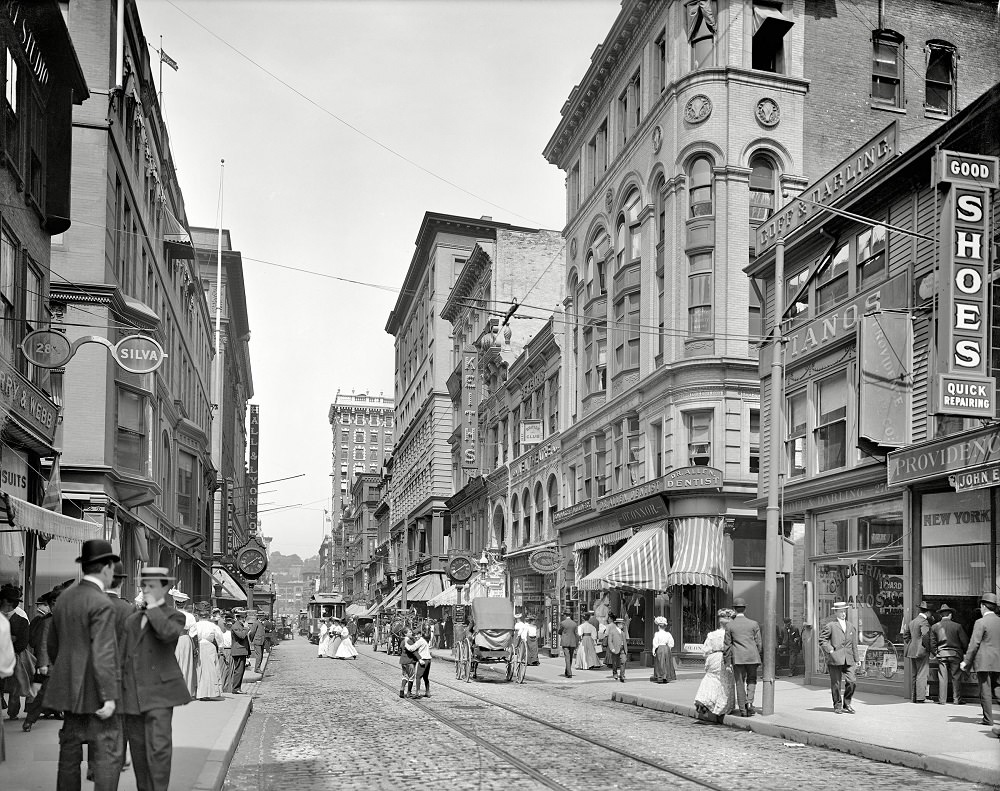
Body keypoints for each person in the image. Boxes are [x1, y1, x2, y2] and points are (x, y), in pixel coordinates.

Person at [44, 539, 124, 791]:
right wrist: (110, 696)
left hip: (68, 689)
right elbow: (103, 652)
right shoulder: (101, 602)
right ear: (106, 567)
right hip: (95, 692)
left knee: (69, 752)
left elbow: (53, 645)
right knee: (107, 755)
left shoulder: (65, 598)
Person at [119, 566, 192, 791]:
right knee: (139, 751)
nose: (146, 590)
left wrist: (152, 608)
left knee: (159, 749)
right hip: (133, 695)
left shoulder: (175, 616)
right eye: (144, 586)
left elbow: (166, 634)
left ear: (165, 589)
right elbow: (123, 656)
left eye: (152, 586)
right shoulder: (132, 619)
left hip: (161, 694)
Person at [22, 588, 59, 732]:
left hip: (70, 664)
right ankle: (30, 720)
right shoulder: (47, 622)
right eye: (53, 603)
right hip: (53, 664)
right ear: (49, 605)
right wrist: (43, 663)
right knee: (44, 693)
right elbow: (43, 643)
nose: (56, 606)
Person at [960, 592, 1000, 727]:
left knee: (985, 690)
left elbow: (974, 643)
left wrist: (966, 661)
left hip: (983, 662)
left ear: (983, 606)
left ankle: (988, 719)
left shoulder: (980, 622)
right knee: (998, 688)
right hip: (998, 661)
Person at [695, 608, 737, 722]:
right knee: (725, 681)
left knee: (711, 679)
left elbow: (706, 650)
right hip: (725, 657)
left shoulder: (712, 635)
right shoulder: (731, 635)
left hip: (713, 658)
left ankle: (705, 700)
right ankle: (721, 706)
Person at [818, 601, 859, 714]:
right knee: (836, 683)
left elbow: (854, 644)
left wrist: (857, 659)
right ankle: (837, 705)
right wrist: (830, 650)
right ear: (836, 612)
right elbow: (822, 640)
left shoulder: (850, 626)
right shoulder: (831, 625)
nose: (843, 614)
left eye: (844, 611)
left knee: (852, 681)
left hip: (849, 658)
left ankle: (847, 703)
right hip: (835, 658)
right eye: (840, 612)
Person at [723, 597, 762, 716]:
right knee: (752, 680)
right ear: (745, 609)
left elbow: (727, 645)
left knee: (739, 682)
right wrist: (757, 654)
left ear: (734, 609)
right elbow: (759, 643)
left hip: (738, 658)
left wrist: (727, 661)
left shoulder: (730, 626)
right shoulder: (754, 624)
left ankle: (743, 709)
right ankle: (750, 702)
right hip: (752, 657)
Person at [0, 583, 30, 721]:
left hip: (15, 657)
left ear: (8, 602)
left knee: (14, 687)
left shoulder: (21, 620)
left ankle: (13, 712)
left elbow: (22, 643)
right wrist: (11, 639)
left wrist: (9, 643)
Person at [930, 603, 968, 705]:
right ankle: (957, 699)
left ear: (941, 615)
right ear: (950, 615)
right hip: (955, 654)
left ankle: (942, 700)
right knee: (956, 677)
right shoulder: (957, 626)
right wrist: (964, 652)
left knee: (942, 677)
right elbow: (964, 641)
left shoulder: (934, 627)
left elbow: (932, 643)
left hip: (942, 654)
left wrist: (936, 653)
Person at [901, 600, 932, 703]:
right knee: (922, 674)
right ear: (927, 612)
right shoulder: (924, 622)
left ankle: (914, 697)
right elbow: (926, 636)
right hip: (921, 651)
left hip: (912, 651)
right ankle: (920, 698)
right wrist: (928, 648)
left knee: (915, 674)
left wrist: (912, 644)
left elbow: (906, 636)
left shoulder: (913, 621)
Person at [192, 606, 224, 700]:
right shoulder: (213, 626)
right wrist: (220, 649)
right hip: (210, 646)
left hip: (198, 646)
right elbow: (219, 637)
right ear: (208, 616)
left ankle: (198, 692)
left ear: (199, 616)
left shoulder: (195, 625)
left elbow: (191, 635)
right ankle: (211, 691)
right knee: (211, 669)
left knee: (199, 669)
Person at [170, 590, 197, 698]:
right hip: (185, 639)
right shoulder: (190, 616)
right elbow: (193, 632)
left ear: (175, 603)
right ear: (184, 604)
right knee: (186, 665)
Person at [405, 628, 432, 697]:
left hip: (423, 660)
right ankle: (427, 692)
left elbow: (412, 648)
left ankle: (417, 692)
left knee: (418, 677)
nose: (416, 636)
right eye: (414, 635)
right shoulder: (423, 640)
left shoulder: (420, 641)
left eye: (417, 635)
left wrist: (406, 644)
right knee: (425, 677)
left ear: (420, 634)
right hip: (428, 660)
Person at [229, 608, 250, 693]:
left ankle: (238, 688)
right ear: (238, 618)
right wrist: (246, 628)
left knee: (241, 670)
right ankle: (236, 688)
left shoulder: (239, 626)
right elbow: (241, 636)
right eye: (242, 618)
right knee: (239, 671)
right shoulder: (236, 626)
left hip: (241, 651)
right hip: (238, 651)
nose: (244, 620)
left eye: (244, 618)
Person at [650, 616, 676, 684]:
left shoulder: (657, 634)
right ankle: (666, 677)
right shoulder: (668, 634)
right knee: (666, 662)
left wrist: (653, 650)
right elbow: (671, 643)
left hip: (660, 648)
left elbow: (655, 643)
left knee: (660, 662)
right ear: (665, 627)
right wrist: (669, 648)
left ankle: (660, 677)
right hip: (666, 648)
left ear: (658, 626)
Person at [605, 615, 627, 682]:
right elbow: (610, 641)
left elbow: (624, 641)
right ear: (618, 624)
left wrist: (626, 649)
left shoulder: (623, 632)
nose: (623, 625)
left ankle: (622, 675)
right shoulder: (612, 631)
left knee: (623, 661)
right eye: (622, 624)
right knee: (614, 662)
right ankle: (615, 673)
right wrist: (612, 648)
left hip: (622, 648)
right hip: (615, 648)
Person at [398, 626, 419, 698]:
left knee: (405, 676)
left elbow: (401, 649)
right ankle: (409, 692)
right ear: (405, 634)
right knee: (411, 676)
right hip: (410, 661)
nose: (411, 633)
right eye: (409, 632)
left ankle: (402, 690)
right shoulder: (409, 641)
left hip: (403, 661)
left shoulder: (403, 641)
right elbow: (413, 651)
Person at [558, 611, 578, 678]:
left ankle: (569, 673)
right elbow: (576, 634)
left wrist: (562, 633)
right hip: (572, 642)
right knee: (570, 657)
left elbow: (560, 631)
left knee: (567, 657)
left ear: (565, 615)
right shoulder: (574, 624)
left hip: (565, 642)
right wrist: (577, 643)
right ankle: (567, 671)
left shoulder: (563, 623)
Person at [218, 615, 235, 693]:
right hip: (231, 651)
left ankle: (222, 687)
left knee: (223, 670)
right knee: (230, 670)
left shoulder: (222, 635)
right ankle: (229, 688)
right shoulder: (232, 635)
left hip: (223, 652)